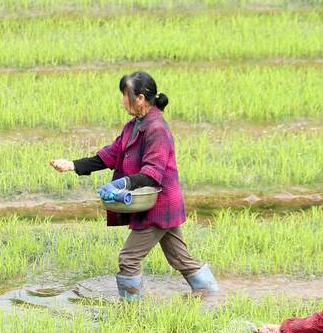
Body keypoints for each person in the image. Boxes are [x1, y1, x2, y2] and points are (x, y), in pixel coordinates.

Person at [49, 70, 218, 301]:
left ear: (140, 98)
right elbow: (109, 155)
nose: (122, 100)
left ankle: (131, 313)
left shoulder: (157, 129)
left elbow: (152, 173)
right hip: (155, 202)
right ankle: (213, 297)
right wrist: (71, 165)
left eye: (125, 94)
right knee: (180, 259)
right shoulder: (133, 126)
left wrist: (123, 183)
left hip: (158, 204)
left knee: (128, 258)